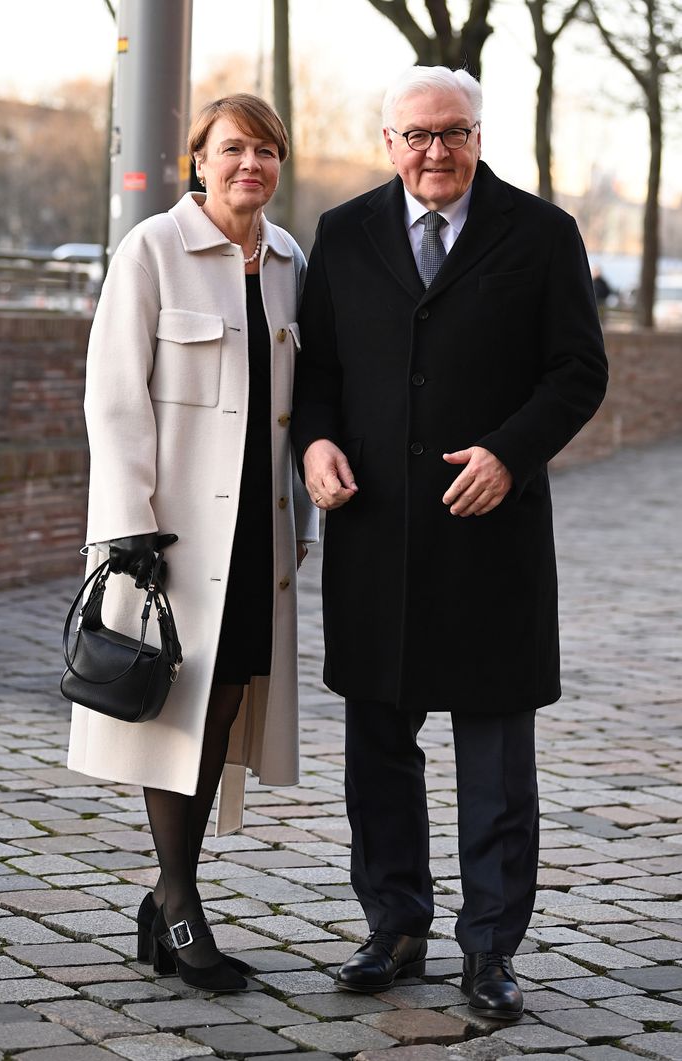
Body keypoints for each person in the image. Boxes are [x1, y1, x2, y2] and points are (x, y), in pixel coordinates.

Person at [292, 66, 607, 1022]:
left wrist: (513, 453)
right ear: (387, 141)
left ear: (479, 133)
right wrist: (313, 442)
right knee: (378, 752)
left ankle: (490, 950)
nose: (436, 152)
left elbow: (578, 371)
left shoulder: (542, 233)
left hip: (491, 538)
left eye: (453, 132)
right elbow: (321, 372)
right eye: (417, 135)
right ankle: (393, 926)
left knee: (496, 768)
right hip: (376, 536)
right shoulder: (343, 233)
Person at [68, 94, 317, 992]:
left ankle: (168, 894)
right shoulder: (152, 249)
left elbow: (301, 405)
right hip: (170, 536)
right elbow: (113, 395)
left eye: (265, 149)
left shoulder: (289, 259)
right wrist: (127, 524)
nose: (250, 163)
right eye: (233, 148)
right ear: (197, 161)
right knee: (178, 707)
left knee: (220, 707)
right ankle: (177, 901)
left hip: (259, 533)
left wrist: (306, 523)